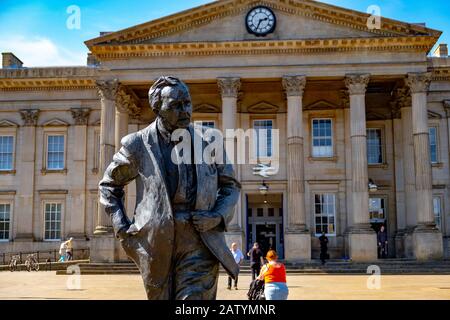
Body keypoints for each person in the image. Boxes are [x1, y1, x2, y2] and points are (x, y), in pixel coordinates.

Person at [99, 76, 241, 300]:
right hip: (154, 241)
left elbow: (230, 186)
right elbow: (108, 186)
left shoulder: (210, 140)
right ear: (157, 108)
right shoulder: (137, 144)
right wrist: (122, 228)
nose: (185, 111)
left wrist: (217, 216)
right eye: (175, 105)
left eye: (187, 103)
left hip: (199, 239)